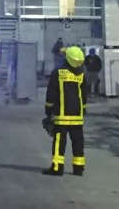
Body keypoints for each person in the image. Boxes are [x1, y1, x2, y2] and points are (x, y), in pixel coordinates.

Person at [44, 46, 87, 177]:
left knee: (59, 143)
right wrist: (83, 110)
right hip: (77, 116)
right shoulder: (81, 73)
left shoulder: (58, 72)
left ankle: (57, 168)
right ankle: (78, 169)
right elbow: (84, 95)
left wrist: (48, 110)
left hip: (61, 116)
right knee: (78, 142)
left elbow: (51, 93)